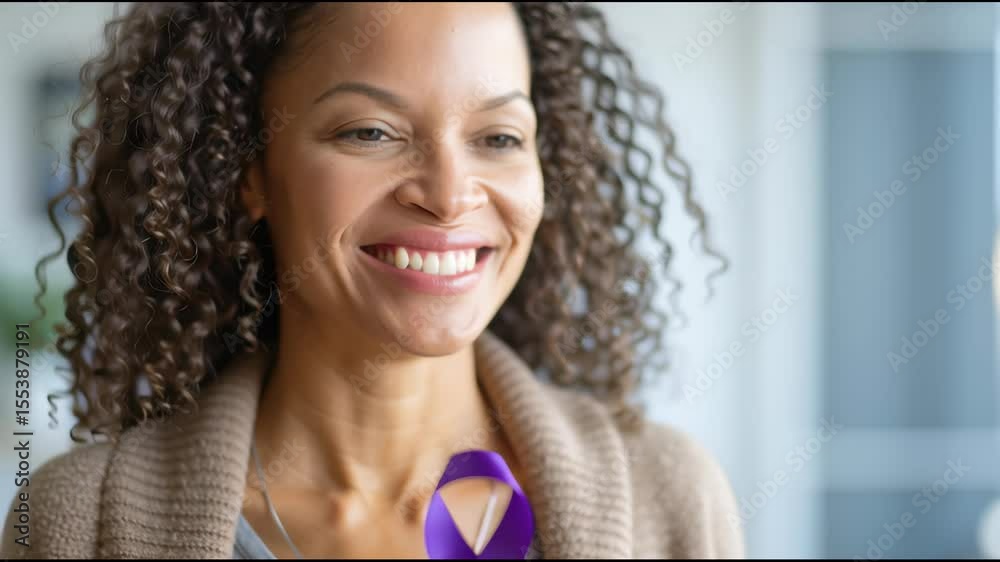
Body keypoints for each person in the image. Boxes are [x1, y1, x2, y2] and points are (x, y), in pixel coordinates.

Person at [1, 2, 742, 559]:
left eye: (499, 138)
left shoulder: (668, 497)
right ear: (249, 173)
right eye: (370, 132)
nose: (451, 196)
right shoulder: (75, 523)